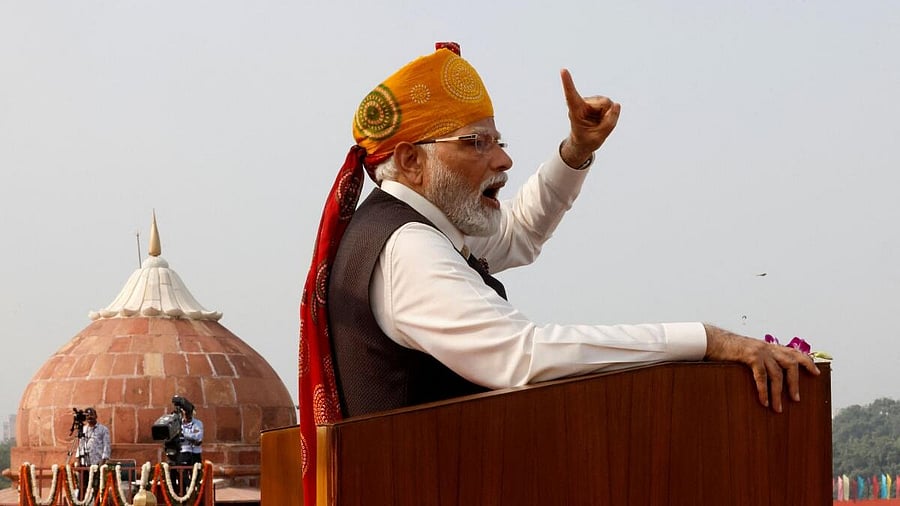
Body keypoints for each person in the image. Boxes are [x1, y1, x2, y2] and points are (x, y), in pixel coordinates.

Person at [299, 42, 819, 504]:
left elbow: (517, 233)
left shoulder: (419, 226)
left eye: (498, 141)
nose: (503, 159)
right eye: (476, 143)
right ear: (412, 161)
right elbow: (522, 358)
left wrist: (577, 151)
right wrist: (704, 340)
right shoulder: (407, 249)